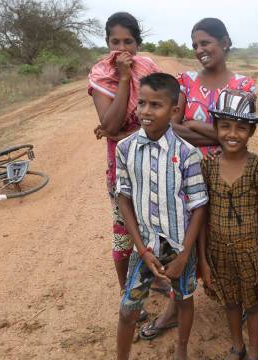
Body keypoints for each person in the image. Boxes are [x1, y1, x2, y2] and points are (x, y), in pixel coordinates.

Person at [91, 73, 207, 360]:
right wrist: (140, 246)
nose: (146, 110)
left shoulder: (187, 154)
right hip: (146, 247)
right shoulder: (126, 148)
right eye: (142, 102)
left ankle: (181, 352)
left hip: (178, 247)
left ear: (173, 110)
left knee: (184, 299)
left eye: (156, 105)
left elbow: (198, 205)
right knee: (128, 309)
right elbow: (123, 196)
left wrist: (185, 256)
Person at [140, 17, 256, 340]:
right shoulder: (185, 81)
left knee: (227, 238)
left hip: (227, 176)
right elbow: (170, 127)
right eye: (195, 45)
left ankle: (238, 299)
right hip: (185, 173)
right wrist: (217, 132)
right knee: (184, 239)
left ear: (225, 42)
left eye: (205, 42)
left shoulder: (244, 86)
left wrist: (195, 124)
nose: (199, 50)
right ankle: (175, 309)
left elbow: (236, 136)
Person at [88, 12, 170, 322]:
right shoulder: (101, 74)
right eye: (115, 41)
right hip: (122, 167)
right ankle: (128, 296)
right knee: (124, 233)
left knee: (156, 228)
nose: (122, 49)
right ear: (107, 42)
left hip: (155, 162)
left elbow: (166, 117)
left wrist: (125, 133)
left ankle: (157, 277)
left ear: (138, 43)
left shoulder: (148, 68)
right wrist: (123, 77)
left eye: (128, 41)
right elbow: (110, 123)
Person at [197, 90, 258, 360]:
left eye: (241, 127)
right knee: (230, 303)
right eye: (226, 126)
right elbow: (202, 218)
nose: (232, 133)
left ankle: (253, 353)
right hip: (218, 253)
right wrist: (203, 260)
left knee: (253, 305)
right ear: (216, 128)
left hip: (250, 252)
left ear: (251, 131)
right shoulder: (208, 167)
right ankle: (237, 345)